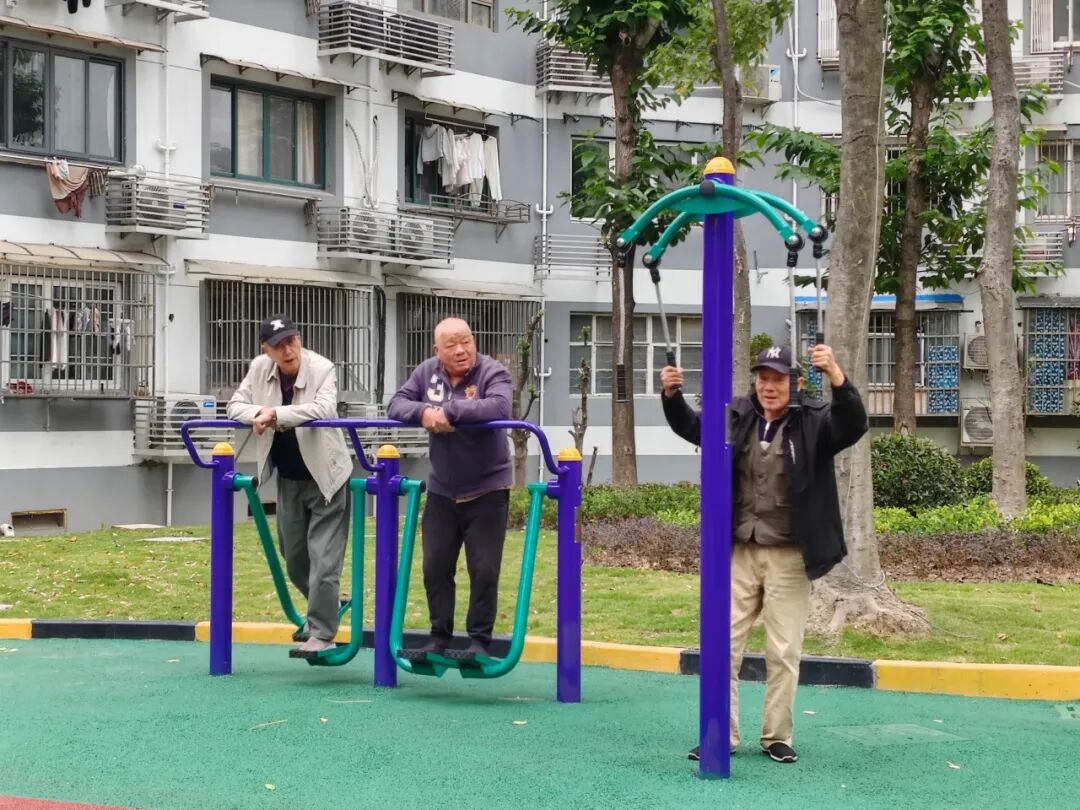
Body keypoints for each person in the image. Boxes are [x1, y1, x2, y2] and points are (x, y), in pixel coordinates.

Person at [661, 343, 867, 764]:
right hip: (739, 551)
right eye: (763, 378)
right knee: (721, 645)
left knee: (784, 650)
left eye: (778, 379)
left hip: (789, 555)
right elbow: (694, 428)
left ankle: (776, 736)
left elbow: (852, 424)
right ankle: (722, 733)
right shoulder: (737, 416)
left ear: (796, 382)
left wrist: (836, 375)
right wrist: (671, 395)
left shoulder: (813, 421)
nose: (769, 387)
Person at [227, 314, 352, 658]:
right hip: (289, 478)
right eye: (278, 345)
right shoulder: (259, 368)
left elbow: (323, 408)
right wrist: (260, 412)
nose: (288, 350)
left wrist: (276, 415)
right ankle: (329, 604)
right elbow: (235, 405)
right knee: (295, 559)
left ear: (300, 339)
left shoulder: (322, 368)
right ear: (265, 350)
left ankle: (322, 633)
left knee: (323, 559)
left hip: (326, 477)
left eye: (292, 341)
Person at [388, 317, 513, 657]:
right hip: (442, 489)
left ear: (474, 341)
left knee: (483, 569)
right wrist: (425, 414)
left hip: (488, 488)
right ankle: (438, 638)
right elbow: (396, 404)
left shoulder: (492, 372)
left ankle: (479, 642)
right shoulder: (426, 372)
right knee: (435, 567)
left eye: (466, 341)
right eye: (451, 345)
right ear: (437, 350)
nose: (461, 350)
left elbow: (499, 406)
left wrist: (449, 411)